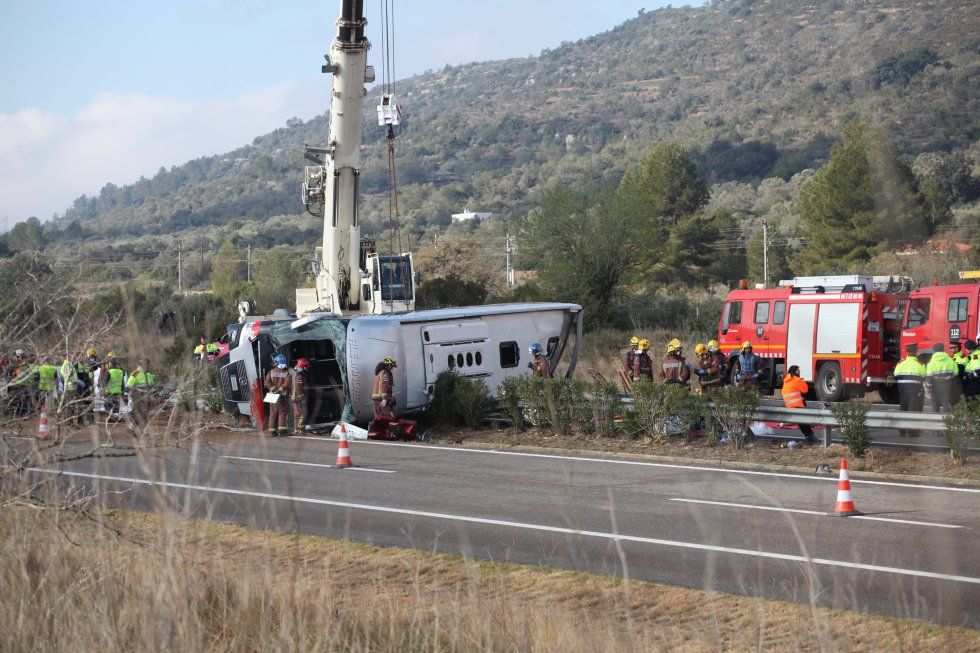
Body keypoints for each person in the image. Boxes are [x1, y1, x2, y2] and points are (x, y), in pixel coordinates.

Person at [894, 343, 926, 436]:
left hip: (903, 391)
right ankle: (912, 432)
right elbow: (924, 375)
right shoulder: (920, 364)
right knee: (913, 410)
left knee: (903, 409)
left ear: (907, 352)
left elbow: (896, 374)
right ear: (916, 352)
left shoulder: (901, 363)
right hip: (915, 391)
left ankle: (902, 431)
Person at [781, 365, 816, 444]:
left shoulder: (786, 380)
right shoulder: (795, 379)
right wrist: (801, 381)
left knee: (801, 422)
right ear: (794, 372)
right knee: (803, 421)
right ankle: (810, 435)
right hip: (796, 405)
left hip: (789, 405)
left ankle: (809, 435)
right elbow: (805, 389)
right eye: (798, 371)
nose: (799, 372)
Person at [263, 354, 292, 436]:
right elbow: (287, 383)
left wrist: (273, 389)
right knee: (282, 412)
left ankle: (272, 431)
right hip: (283, 396)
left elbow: (267, 382)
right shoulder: (286, 373)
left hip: (273, 396)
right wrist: (280, 389)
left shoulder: (271, 372)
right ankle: (282, 431)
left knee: (273, 413)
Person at [925, 342, 958, 413]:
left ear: (934, 351)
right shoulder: (950, 360)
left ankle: (935, 422)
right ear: (943, 349)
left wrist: (928, 389)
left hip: (935, 388)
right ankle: (946, 423)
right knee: (947, 407)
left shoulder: (931, 362)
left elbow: (929, 378)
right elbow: (956, 373)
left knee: (935, 408)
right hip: (947, 387)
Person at [126, 358, 156, 434]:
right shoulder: (136, 373)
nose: (149, 366)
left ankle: (144, 429)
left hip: (147, 398)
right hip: (137, 398)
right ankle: (131, 427)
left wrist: (157, 394)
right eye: (147, 364)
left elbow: (152, 387)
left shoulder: (148, 374)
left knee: (147, 413)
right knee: (143, 413)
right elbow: (129, 386)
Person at [291, 357, 310, 435]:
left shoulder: (296, 372)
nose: (306, 368)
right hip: (299, 397)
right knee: (303, 414)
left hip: (295, 397)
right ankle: (300, 430)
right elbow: (298, 386)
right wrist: (301, 396)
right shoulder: (299, 374)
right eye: (306, 366)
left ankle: (297, 430)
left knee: (297, 414)